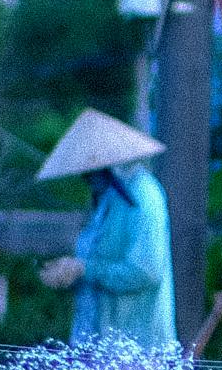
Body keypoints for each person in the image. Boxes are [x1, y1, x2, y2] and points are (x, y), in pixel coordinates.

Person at [35, 109, 176, 346]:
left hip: (136, 347)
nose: (85, 176)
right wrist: (70, 272)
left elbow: (146, 271)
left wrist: (84, 269)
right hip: (98, 341)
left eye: (90, 169)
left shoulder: (143, 197)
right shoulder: (110, 199)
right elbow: (96, 262)